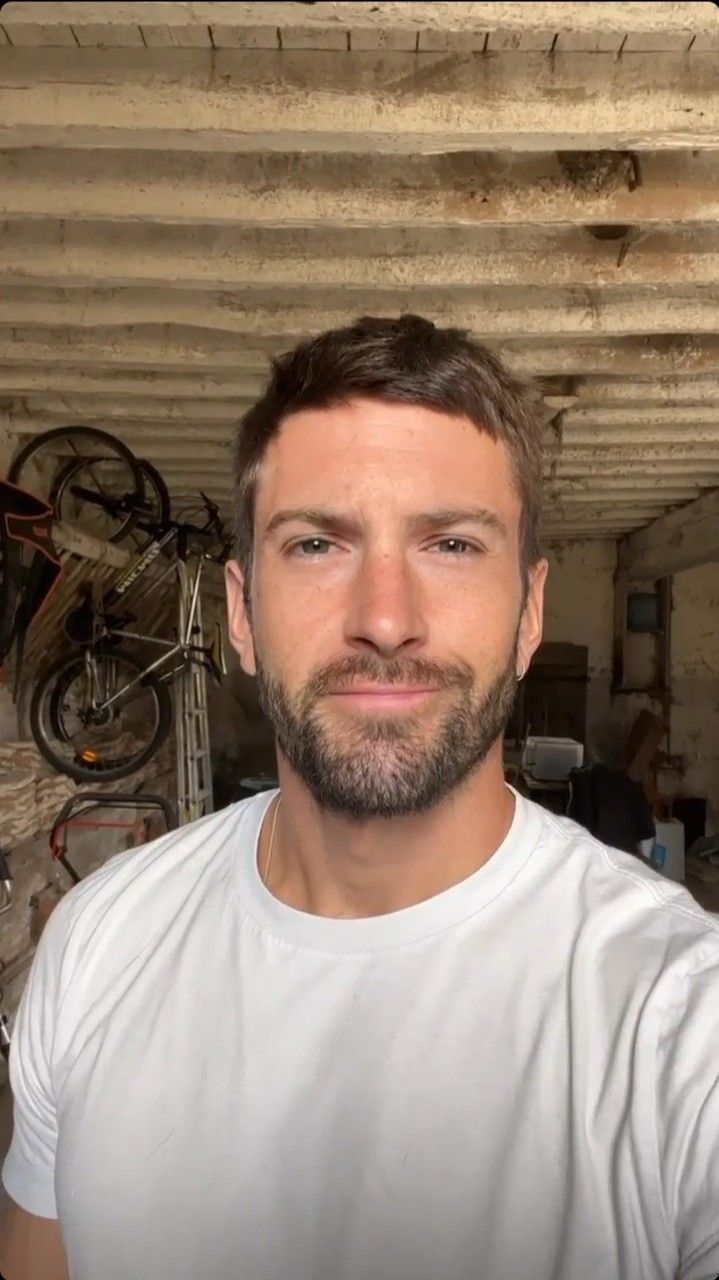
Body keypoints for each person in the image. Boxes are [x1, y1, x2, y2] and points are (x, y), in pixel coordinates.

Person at [1, 314, 718, 1280]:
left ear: (529, 614)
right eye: (315, 545)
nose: (385, 618)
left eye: (451, 544)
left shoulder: (678, 1018)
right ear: (241, 613)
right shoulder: (98, 942)